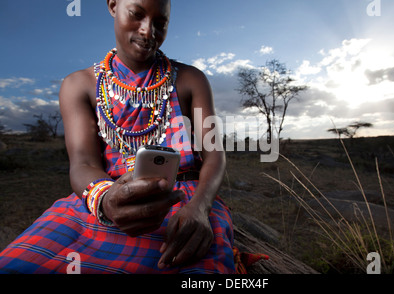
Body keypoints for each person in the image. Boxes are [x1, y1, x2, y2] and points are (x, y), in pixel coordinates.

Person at [0, 0, 236, 274]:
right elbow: (82, 163)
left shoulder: (190, 79)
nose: (149, 31)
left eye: (161, 23)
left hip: (186, 202)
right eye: (136, 14)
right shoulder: (79, 85)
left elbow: (214, 154)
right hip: (103, 201)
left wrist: (199, 208)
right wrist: (106, 200)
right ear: (113, 5)